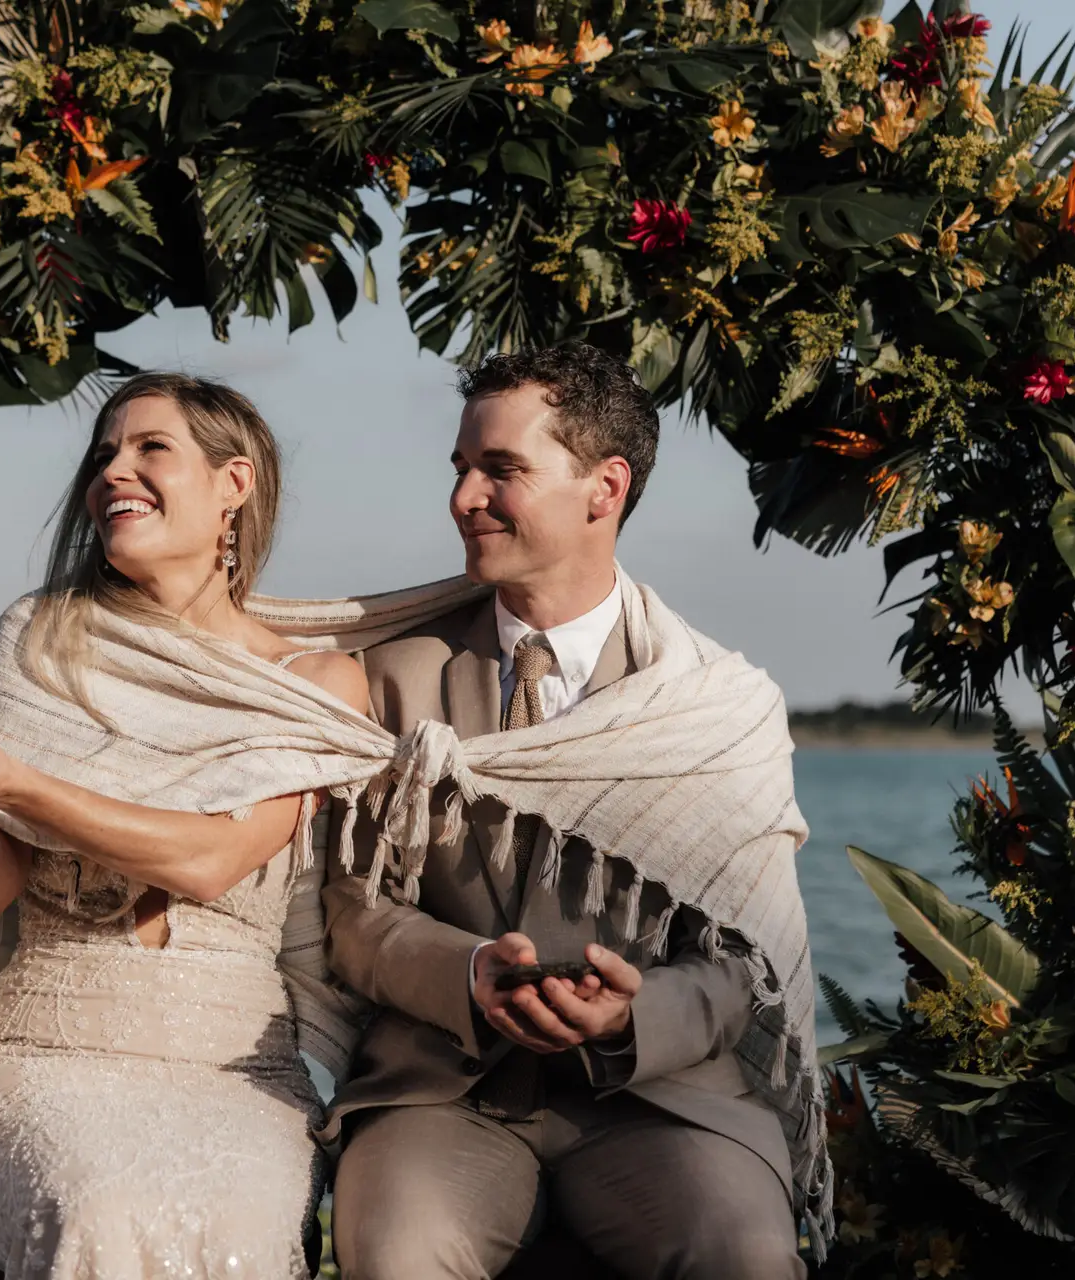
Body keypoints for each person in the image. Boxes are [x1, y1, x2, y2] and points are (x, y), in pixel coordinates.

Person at [0, 373, 371, 1278]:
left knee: (234, 1228)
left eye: (151, 448)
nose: (115, 469)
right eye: (104, 454)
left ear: (235, 485)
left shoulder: (314, 682)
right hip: (45, 1052)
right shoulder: (37, 637)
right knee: (98, 1214)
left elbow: (209, 861)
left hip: (236, 1071)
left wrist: (12, 779)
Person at [324, 343, 814, 1279]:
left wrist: (636, 1018)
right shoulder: (392, 677)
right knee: (395, 1254)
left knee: (744, 1255)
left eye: (500, 470)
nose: (464, 497)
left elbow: (747, 950)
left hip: (660, 1099)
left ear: (605, 487)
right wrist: (464, 973)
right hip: (443, 1095)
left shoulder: (712, 704)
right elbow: (350, 910)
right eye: (462, 470)